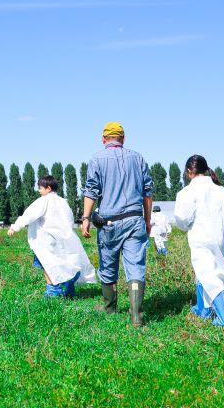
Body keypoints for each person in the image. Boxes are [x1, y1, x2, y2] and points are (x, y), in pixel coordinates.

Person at [81, 122, 153, 327]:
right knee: (136, 267)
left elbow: (91, 190)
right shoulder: (138, 158)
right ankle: (137, 315)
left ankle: (109, 307)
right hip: (135, 220)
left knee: (108, 266)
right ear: (123, 139)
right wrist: (147, 221)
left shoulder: (97, 158)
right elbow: (147, 192)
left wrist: (85, 218)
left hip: (109, 223)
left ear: (104, 139)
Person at [8, 175, 97, 297]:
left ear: (48, 188)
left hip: (45, 240)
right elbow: (69, 220)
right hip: (63, 239)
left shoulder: (43, 201)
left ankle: (53, 291)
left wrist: (15, 226)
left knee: (48, 264)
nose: (39, 191)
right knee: (65, 263)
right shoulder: (63, 202)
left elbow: (29, 215)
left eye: (40, 188)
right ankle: (69, 290)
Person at [174, 155, 224, 326]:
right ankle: (204, 308)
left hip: (200, 236)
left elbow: (182, 219)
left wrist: (185, 226)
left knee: (207, 274)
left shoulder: (187, 192)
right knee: (211, 270)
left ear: (188, 172)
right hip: (219, 236)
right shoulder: (221, 191)